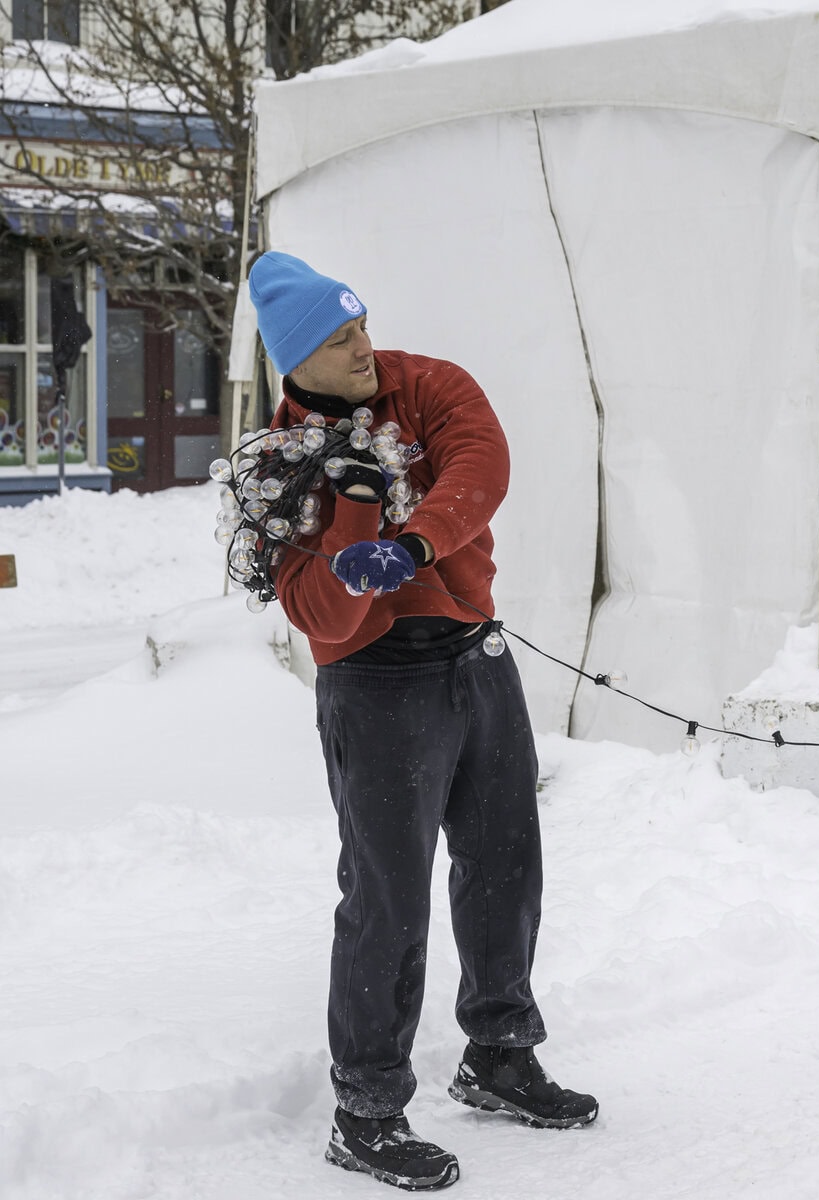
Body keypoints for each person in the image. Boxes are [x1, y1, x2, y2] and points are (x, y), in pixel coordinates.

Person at [248, 250, 597, 1192]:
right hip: (374, 685)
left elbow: (483, 464)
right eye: (338, 339)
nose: (365, 348)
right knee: (385, 899)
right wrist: (355, 516)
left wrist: (415, 540)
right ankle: (366, 1110)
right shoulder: (276, 473)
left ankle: (498, 1054)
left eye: (361, 325)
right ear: (296, 358)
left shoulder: (427, 384)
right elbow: (323, 616)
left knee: (505, 864)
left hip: (476, 656)